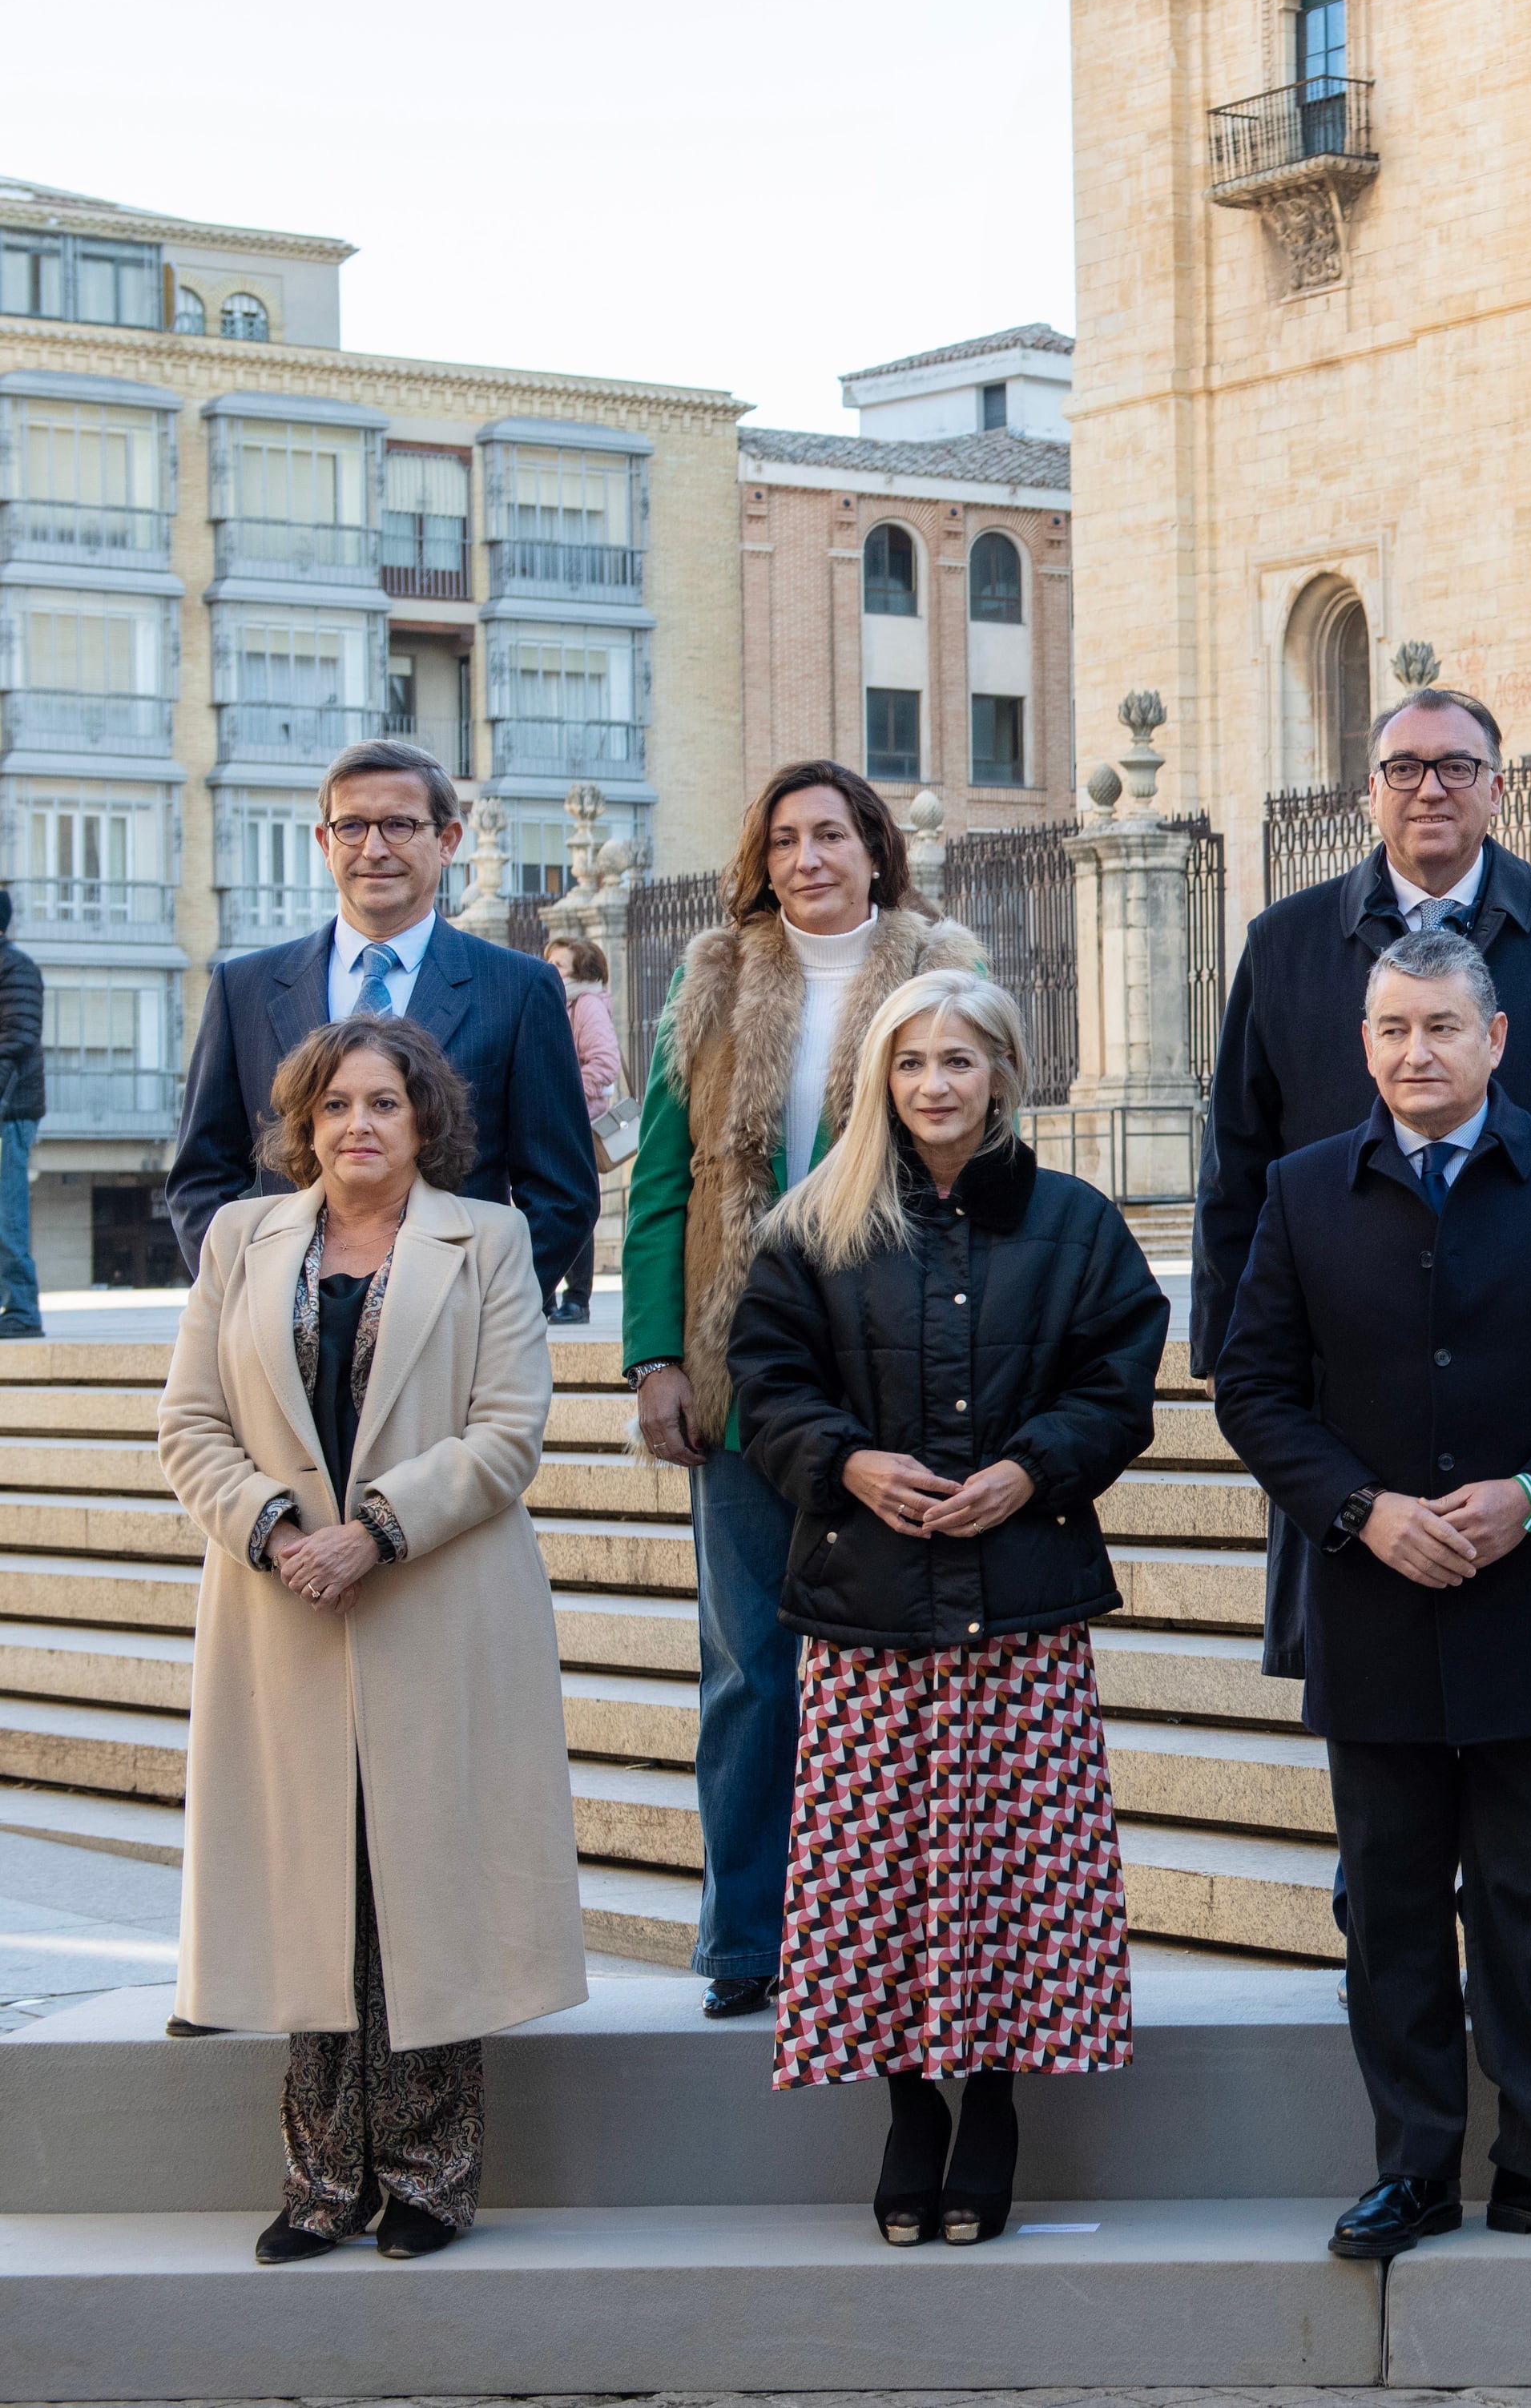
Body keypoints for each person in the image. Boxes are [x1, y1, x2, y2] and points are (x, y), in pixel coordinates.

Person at [1211, 929, 1531, 2263]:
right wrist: (1362, 1509)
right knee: (1394, 1905)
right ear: (1364, 1044)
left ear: (1496, 1041)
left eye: (1439, 1027)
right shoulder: (1310, 1186)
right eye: (1391, 1030)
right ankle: (1414, 2168)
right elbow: (1252, 1385)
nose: (1414, 1051)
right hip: (1374, 1604)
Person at [729, 971, 1166, 2249]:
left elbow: (1119, 1381)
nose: (935, 1083)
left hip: (1023, 1603)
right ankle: (909, 2103)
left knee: (1017, 1872)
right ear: (881, 1077)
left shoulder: (1077, 1224)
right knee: (879, 1877)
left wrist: (1033, 1466)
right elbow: (767, 1382)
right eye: (911, 1060)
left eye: (960, 1060)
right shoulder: (816, 1222)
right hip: (869, 1605)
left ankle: (995, 2105)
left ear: (1003, 1072)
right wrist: (850, 1462)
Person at [156, 1015, 582, 2265]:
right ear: (305, 1122)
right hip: (280, 1606)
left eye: (385, 1103)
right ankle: (316, 2184)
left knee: (426, 1891)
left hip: (435, 1602)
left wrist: (376, 1530)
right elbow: (187, 1422)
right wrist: (277, 1526)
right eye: (336, 1103)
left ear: (425, 1119)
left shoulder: (488, 1237)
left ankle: (430, 2178)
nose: (358, 1124)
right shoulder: (241, 1238)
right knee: (309, 1894)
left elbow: (510, 1429)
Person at [622, 761, 986, 2021]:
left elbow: (987, 1152)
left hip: (899, 1367)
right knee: (749, 1667)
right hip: (740, 1372)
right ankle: (743, 1938)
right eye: (783, 838)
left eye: (830, 832)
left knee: (905, 1677)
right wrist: (657, 1357)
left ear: (875, 848)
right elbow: (659, 1180)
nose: (807, 857)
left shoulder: (942, 960)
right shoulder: (714, 975)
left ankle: (894, 1934)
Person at [1200, 685, 1531, 1378]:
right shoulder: (1283, 943)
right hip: (1336, 1367)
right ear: (1372, 791)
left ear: (1496, 789)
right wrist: (1226, 1352)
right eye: (1405, 768)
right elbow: (1234, 1156)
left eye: (1457, 767)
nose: (1430, 789)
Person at [167, 740, 597, 1305]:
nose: (373, 848)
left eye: (399, 824)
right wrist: (249, 1296)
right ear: (325, 843)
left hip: (452, 1344)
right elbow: (200, 1178)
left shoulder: (517, 991)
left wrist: (483, 1313)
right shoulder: (242, 989)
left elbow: (562, 1192)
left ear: (447, 842)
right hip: (278, 1336)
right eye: (351, 826)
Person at [547, 936, 624, 1325]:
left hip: (575, 1120)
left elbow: (605, 1064)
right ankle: (549, 1298)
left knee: (573, 1207)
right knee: (547, 1204)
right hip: (554, 1119)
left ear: (583, 972)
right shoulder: (559, 1002)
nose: (551, 970)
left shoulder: (587, 1004)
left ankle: (576, 1300)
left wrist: (564, 1094)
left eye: (560, 965)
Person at [0, 888, 40, 1338]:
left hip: (9, 1112)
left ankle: (23, 1312)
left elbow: (17, 1040)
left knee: (7, 1213)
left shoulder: (15, 968)